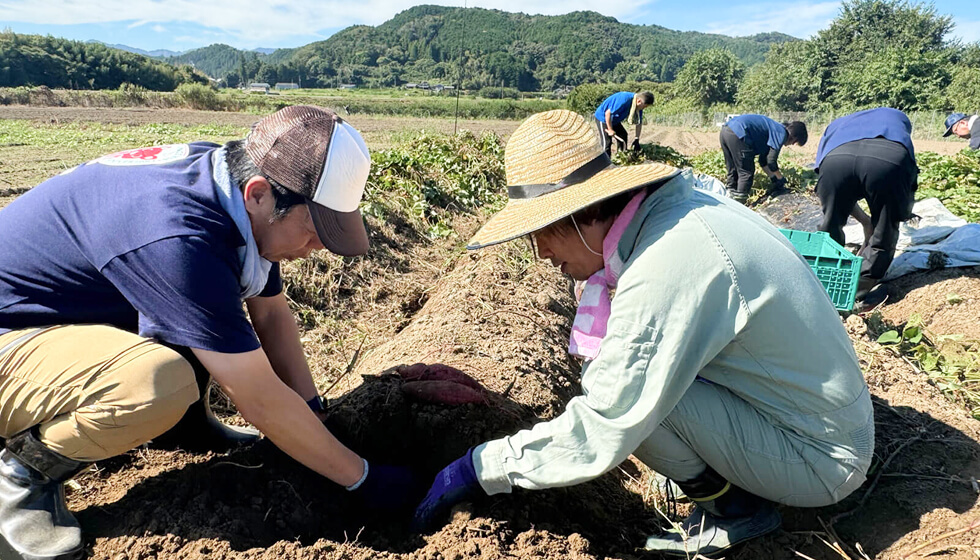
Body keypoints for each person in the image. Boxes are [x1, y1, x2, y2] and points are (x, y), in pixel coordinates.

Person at [413, 109, 873, 557]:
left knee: (629, 393)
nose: (540, 253)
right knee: (627, 369)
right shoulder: (676, 212)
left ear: (584, 213)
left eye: (543, 231)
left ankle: (735, 511)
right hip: (811, 420)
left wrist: (477, 469)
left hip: (822, 459)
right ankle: (734, 487)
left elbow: (605, 421)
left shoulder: (669, 262)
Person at [0, 105, 416, 560]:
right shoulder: (176, 233)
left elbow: (272, 314)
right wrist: (363, 478)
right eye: (314, 232)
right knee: (156, 381)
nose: (317, 249)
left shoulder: (228, 191)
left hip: (58, 319)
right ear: (260, 194)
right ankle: (22, 474)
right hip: (12, 335)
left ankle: (185, 428)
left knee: (206, 318)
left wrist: (315, 415)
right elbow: (255, 394)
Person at [814, 107, 918, 307]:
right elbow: (907, 176)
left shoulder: (839, 123)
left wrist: (863, 221)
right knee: (884, 231)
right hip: (887, 160)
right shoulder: (898, 120)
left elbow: (836, 193)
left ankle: (822, 282)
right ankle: (856, 293)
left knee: (831, 224)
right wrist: (891, 216)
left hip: (836, 160)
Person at [719, 114, 807, 203]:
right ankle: (739, 204)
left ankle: (729, 197)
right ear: (794, 137)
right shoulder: (781, 133)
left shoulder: (774, 129)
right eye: (794, 143)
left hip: (726, 130)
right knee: (746, 172)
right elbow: (771, 161)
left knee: (732, 168)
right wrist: (780, 178)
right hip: (738, 132)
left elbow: (763, 161)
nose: (790, 145)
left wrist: (773, 178)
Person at [594, 91, 653, 156]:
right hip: (603, 118)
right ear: (639, 101)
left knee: (623, 135)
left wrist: (637, 138)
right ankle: (605, 163)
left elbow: (639, 123)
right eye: (644, 106)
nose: (644, 108)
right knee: (607, 141)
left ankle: (621, 156)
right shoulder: (624, 99)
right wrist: (610, 129)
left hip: (614, 120)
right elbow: (608, 113)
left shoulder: (638, 106)